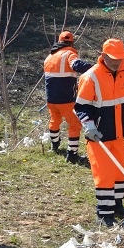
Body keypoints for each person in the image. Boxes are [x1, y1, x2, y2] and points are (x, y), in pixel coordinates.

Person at [74, 38, 124, 227]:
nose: (117, 62)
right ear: (103, 56)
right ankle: (104, 214)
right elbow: (81, 106)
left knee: (119, 171)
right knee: (104, 175)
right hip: (98, 135)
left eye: (120, 58)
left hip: (119, 132)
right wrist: (89, 126)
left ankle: (117, 206)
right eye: (113, 58)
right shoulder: (91, 76)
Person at [43, 30, 92, 164]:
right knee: (75, 124)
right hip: (66, 99)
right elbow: (77, 65)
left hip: (51, 99)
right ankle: (72, 154)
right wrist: (96, 69)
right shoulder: (69, 54)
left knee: (55, 120)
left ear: (59, 42)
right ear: (72, 42)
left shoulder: (49, 57)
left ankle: (55, 145)